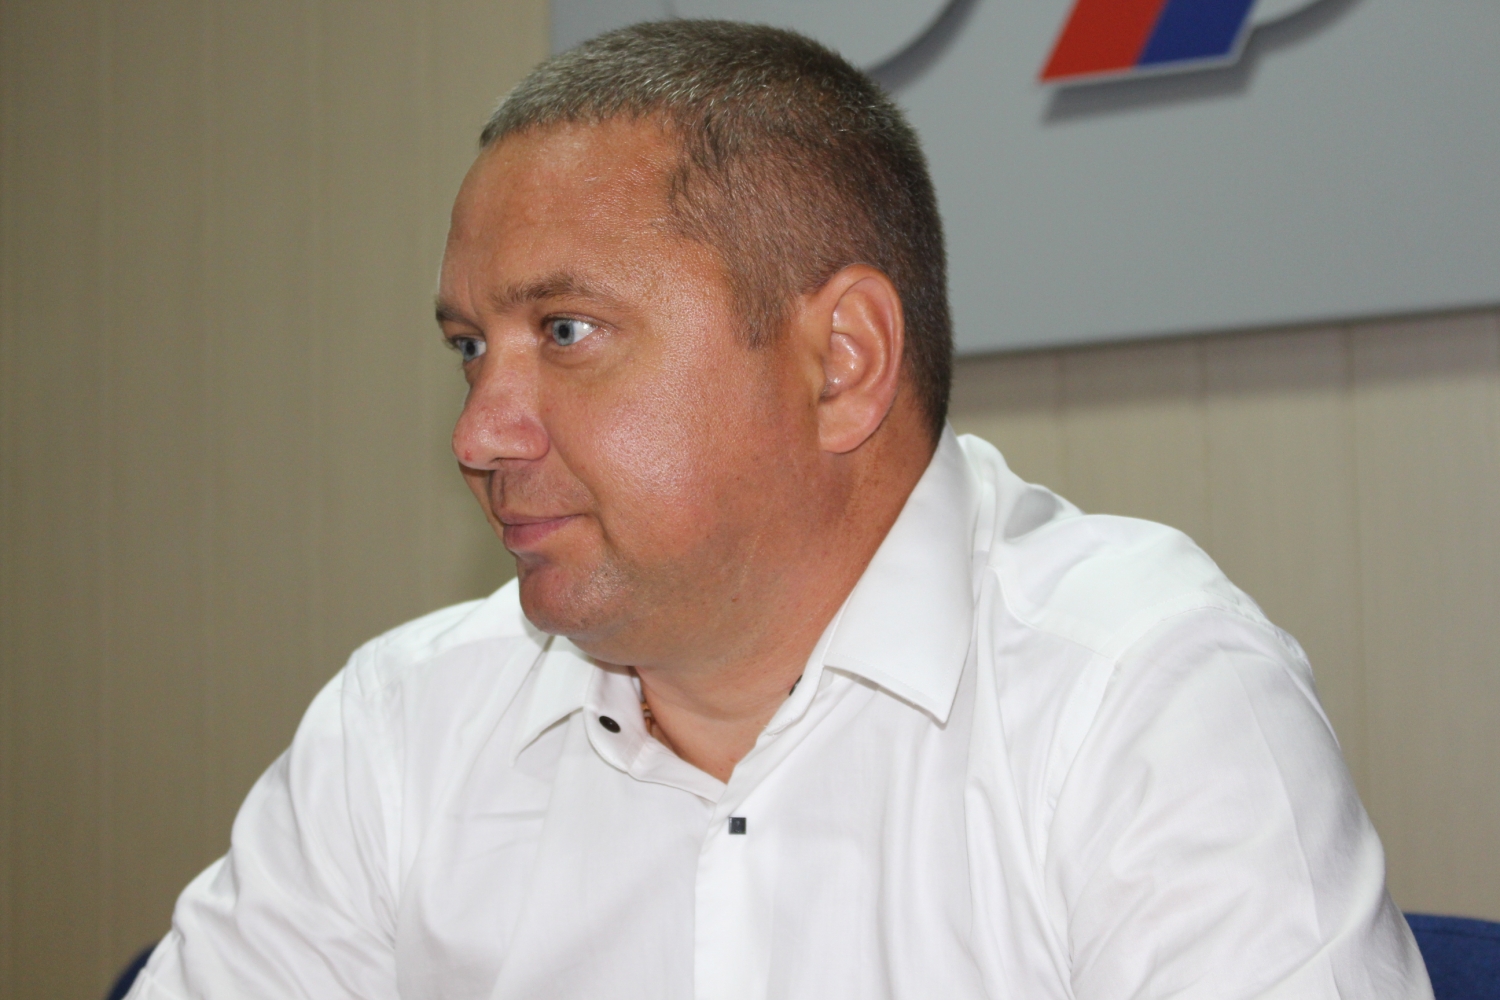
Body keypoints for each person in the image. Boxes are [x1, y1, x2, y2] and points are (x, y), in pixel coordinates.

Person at [126, 20, 1432, 1000]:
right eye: (471, 348)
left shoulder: (1142, 700)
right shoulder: (400, 728)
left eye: (566, 331)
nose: (477, 433)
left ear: (841, 361)